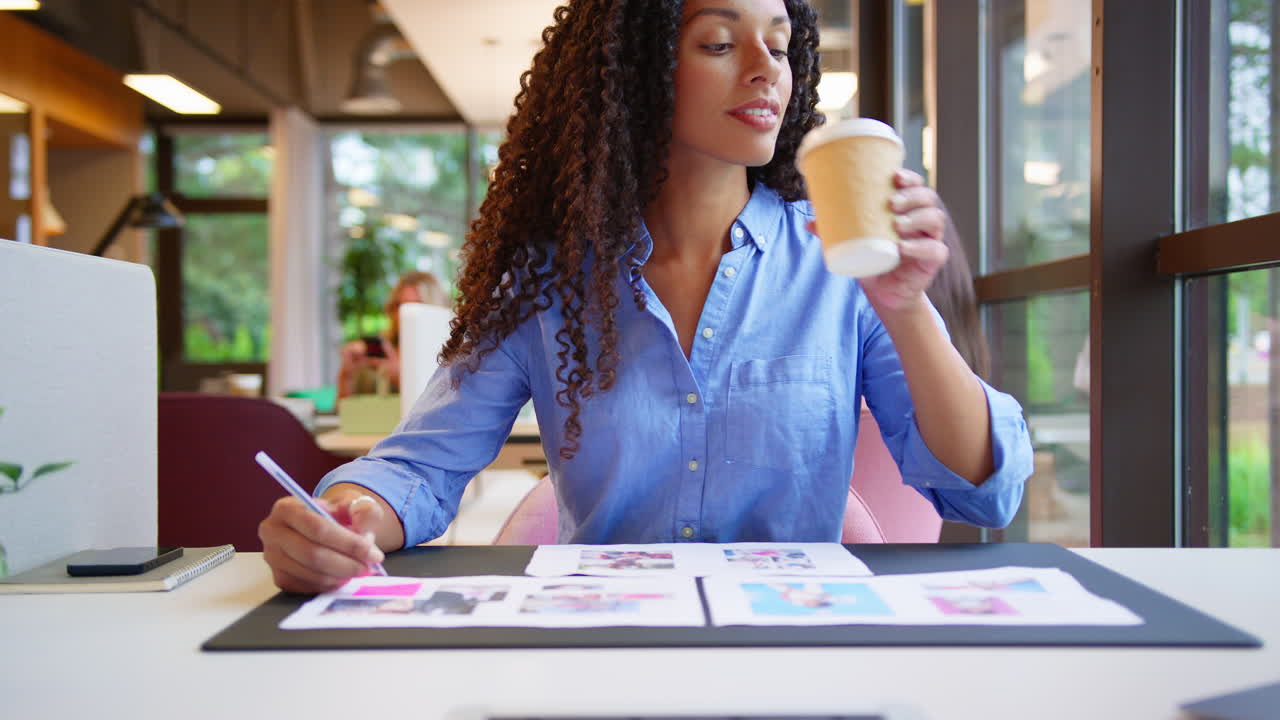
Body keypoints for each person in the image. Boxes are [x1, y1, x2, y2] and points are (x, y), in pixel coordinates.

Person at [260, 0, 1033, 593]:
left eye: (779, 45)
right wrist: (345, 519)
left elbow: (983, 490)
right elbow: (421, 467)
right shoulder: (547, 280)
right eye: (720, 43)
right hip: (603, 648)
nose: (765, 69)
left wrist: (905, 308)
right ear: (638, 69)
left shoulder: (836, 259)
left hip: (793, 647)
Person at [337, 270, 449, 399]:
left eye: (415, 305)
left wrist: (400, 378)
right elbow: (344, 407)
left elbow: (440, 406)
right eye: (399, 305)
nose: (403, 313)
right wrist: (347, 375)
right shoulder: (382, 350)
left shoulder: (447, 357)